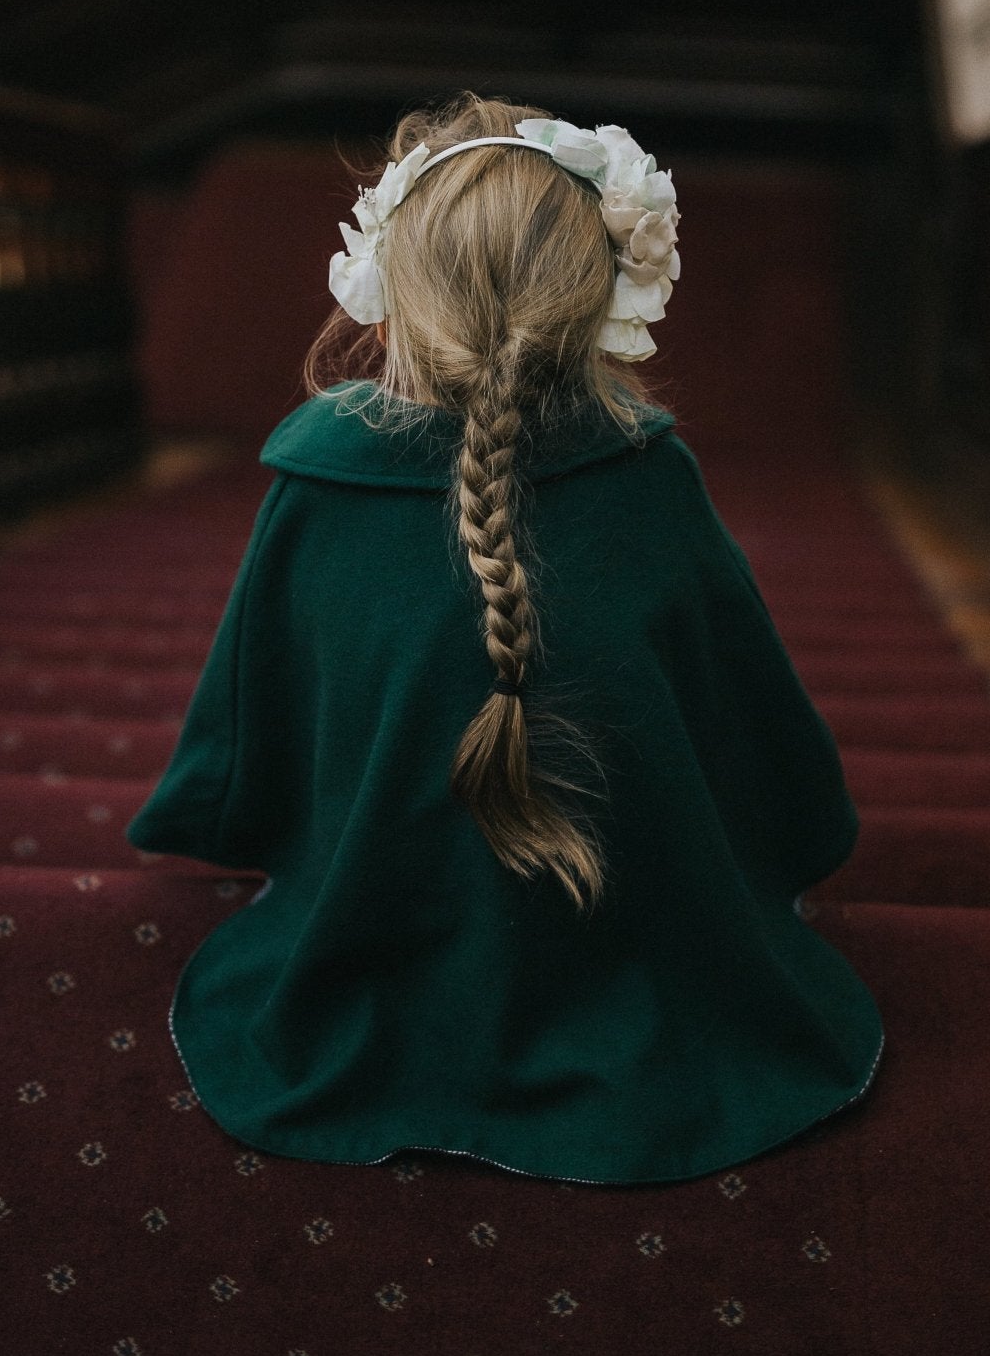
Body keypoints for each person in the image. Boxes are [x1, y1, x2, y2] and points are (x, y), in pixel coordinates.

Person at [125, 95, 883, 1183]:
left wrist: (219, 808)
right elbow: (749, 717)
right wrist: (800, 829)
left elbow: (254, 727)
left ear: (387, 296)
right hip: (645, 985)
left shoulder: (317, 490)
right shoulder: (652, 479)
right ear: (606, 296)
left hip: (362, 984)